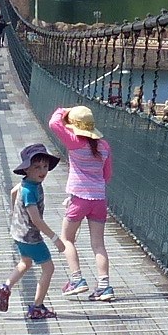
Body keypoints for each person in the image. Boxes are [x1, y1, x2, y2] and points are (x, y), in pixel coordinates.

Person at [46, 102, 114, 302]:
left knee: (67, 238)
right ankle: (104, 286)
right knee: (98, 244)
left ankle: (77, 280)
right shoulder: (105, 146)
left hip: (79, 199)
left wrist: (65, 111)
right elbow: (107, 175)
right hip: (99, 200)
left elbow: (53, 122)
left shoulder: (74, 141)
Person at [0, 143, 64, 320]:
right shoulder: (31, 190)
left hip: (18, 234)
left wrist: (15, 215)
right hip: (31, 237)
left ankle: (6, 287)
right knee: (49, 269)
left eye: (45, 166)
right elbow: (36, 220)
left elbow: (12, 191)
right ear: (26, 169)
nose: (42, 171)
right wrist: (55, 238)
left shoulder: (25, 183)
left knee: (25, 263)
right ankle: (37, 307)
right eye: (37, 167)